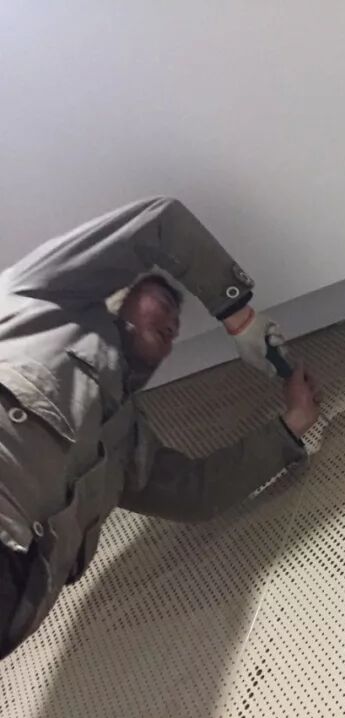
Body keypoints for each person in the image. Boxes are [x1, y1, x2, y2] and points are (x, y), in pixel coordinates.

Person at [0, 197, 321, 659]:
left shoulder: (128, 441)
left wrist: (293, 424)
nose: (172, 322)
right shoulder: (34, 300)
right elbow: (160, 222)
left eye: (175, 328)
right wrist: (240, 317)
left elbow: (195, 493)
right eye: (162, 302)